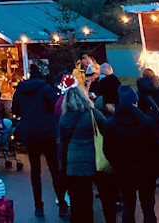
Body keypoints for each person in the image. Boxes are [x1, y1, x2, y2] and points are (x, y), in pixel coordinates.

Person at [12, 64, 68, 218]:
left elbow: (15, 110)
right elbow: (56, 106)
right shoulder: (46, 88)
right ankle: (62, 203)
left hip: (30, 133)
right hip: (47, 132)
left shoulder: (20, 90)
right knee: (54, 169)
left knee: (35, 171)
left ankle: (38, 206)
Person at [103, 85, 159, 223]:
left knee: (128, 207)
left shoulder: (111, 124)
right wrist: (155, 169)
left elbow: (108, 150)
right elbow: (157, 147)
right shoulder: (146, 121)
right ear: (135, 100)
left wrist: (117, 166)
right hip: (146, 171)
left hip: (124, 172)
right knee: (148, 207)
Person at [58, 85, 116, 223]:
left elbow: (62, 144)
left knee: (81, 202)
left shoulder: (64, 119)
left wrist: (64, 167)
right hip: (95, 161)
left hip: (74, 165)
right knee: (107, 196)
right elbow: (108, 130)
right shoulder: (92, 113)